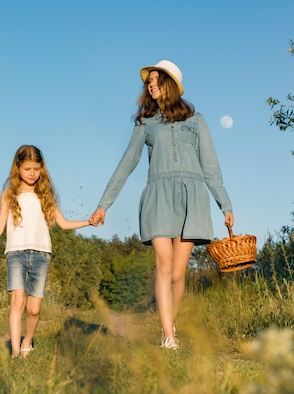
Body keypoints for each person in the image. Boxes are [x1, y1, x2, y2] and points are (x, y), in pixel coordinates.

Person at [89, 60, 234, 350]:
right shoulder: (145, 123)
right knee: (164, 265)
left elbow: (211, 167)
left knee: (179, 274)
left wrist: (225, 204)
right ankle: (168, 334)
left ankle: (171, 322)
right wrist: (104, 204)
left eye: (156, 79)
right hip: (158, 196)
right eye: (149, 81)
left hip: (191, 196)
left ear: (171, 84)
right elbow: (126, 165)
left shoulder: (197, 120)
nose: (151, 84)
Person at [0, 145, 95, 358]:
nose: (32, 173)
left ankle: (27, 342)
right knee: (17, 301)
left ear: (42, 169)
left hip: (41, 255)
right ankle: (14, 352)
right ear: (18, 168)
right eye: (27, 168)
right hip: (15, 253)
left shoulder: (45, 194)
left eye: (36, 169)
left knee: (34, 309)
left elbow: (64, 223)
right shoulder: (8, 194)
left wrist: (89, 221)